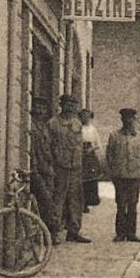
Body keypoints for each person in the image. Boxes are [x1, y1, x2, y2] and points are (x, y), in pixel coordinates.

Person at [47, 94, 89, 243]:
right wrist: (51, 165)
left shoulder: (77, 124)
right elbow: (48, 147)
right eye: (67, 104)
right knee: (57, 200)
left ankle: (73, 231)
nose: (70, 108)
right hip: (59, 167)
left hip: (75, 167)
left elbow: (79, 145)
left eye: (73, 105)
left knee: (76, 200)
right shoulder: (53, 123)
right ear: (61, 105)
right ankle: (54, 232)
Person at [104, 108, 140, 243]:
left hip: (135, 175)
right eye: (125, 119)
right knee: (121, 205)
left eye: (131, 119)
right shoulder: (114, 136)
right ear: (122, 120)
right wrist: (113, 171)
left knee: (133, 205)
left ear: (134, 120)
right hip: (120, 176)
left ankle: (132, 233)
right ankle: (120, 233)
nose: (128, 121)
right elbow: (109, 155)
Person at [28, 95, 58, 239]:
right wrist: (34, 170)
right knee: (45, 202)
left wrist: (51, 167)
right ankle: (47, 235)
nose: (40, 111)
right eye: (37, 108)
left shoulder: (45, 127)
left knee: (49, 202)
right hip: (37, 170)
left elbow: (50, 149)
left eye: (43, 108)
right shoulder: (31, 126)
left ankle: (47, 235)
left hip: (48, 170)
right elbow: (31, 150)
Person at [78, 108, 103, 214]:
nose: (85, 118)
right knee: (80, 179)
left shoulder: (93, 129)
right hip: (79, 155)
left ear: (90, 117)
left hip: (89, 157)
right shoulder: (78, 128)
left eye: (87, 116)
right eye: (83, 116)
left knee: (90, 179)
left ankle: (89, 201)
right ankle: (81, 203)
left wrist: (91, 149)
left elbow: (98, 145)